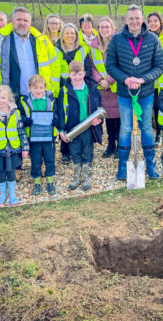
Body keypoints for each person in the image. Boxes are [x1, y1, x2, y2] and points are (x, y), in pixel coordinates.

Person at [106, 4, 163, 181]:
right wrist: (125, 79)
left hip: (146, 93)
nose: (134, 21)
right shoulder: (116, 40)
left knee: (146, 128)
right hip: (125, 94)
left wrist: (142, 80)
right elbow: (110, 65)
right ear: (126, 20)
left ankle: (150, 166)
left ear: (142, 19)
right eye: (130, 18)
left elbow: (160, 66)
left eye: (137, 18)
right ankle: (123, 168)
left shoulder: (153, 39)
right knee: (125, 129)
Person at [0, 6, 61, 98]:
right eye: (19, 19)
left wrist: (54, 93)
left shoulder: (42, 41)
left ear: (30, 23)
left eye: (25, 20)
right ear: (13, 21)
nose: (22, 23)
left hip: (41, 97)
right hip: (12, 98)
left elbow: (55, 68)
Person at [57, 61, 103, 191]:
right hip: (72, 128)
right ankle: (77, 177)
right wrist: (61, 129)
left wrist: (99, 121)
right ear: (69, 74)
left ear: (84, 73)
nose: (77, 77)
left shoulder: (92, 89)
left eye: (79, 74)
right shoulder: (64, 91)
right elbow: (60, 110)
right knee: (75, 153)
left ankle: (87, 177)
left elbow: (99, 107)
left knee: (87, 152)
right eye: (74, 75)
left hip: (88, 127)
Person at [0, 85, 29, 206]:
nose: (0, 101)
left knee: (12, 172)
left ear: (9, 99)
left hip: (13, 149)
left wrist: (25, 147)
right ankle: (2, 194)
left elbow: (21, 131)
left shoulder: (16, 113)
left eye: (3, 98)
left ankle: (12, 194)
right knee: (1, 172)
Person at [56, 22, 94, 163]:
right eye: (67, 33)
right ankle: (65, 151)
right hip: (63, 88)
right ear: (62, 35)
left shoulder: (83, 49)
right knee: (65, 118)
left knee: (79, 117)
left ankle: (83, 151)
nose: (70, 35)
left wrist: (88, 85)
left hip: (79, 85)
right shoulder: (56, 50)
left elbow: (88, 69)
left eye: (72, 33)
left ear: (77, 35)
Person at [20, 75, 58, 196]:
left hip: (48, 136)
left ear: (45, 88)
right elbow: (20, 116)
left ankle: (50, 182)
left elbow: (57, 114)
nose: (39, 91)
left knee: (50, 159)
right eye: (35, 88)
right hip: (34, 137)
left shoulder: (50, 100)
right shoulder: (24, 101)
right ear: (30, 88)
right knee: (36, 161)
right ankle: (37, 183)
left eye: (41, 88)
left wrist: (55, 120)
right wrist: (26, 120)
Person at [89, 17, 120, 158]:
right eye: (102, 27)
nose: (104, 29)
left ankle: (121, 144)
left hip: (116, 86)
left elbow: (121, 65)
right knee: (108, 117)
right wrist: (101, 80)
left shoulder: (119, 43)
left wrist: (109, 80)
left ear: (112, 28)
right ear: (98, 29)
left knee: (119, 117)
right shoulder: (93, 45)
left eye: (107, 26)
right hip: (103, 87)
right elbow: (93, 66)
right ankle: (111, 144)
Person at [147, 12, 163, 147]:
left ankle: (159, 135)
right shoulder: (145, 39)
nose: (153, 23)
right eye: (150, 21)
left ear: (160, 22)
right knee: (151, 109)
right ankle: (152, 133)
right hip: (149, 81)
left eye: (156, 21)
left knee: (161, 108)